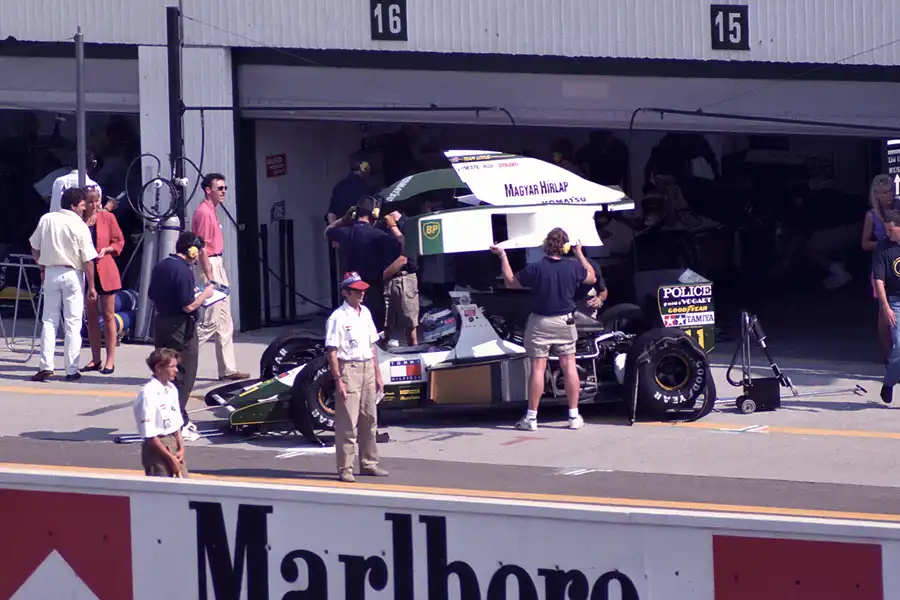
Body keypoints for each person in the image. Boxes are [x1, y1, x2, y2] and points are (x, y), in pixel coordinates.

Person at [490, 228, 596, 431]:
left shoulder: (535, 268)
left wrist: (503, 255)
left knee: (538, 368)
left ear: (545, 246)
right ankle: (574, 416)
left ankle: (531, 418)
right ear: (566, 247)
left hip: (540, 322)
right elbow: (591, 277)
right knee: (569, 366)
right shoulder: (573, 267)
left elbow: (510, 282)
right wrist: (580, 253)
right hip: (565, 321)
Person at [148, 231, 215, 442]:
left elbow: (151, 294)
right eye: (198, 252)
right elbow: (188, 305)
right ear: (192, 251)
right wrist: (205, 294)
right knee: (183, 375)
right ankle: (178, 423)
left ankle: (174, 418)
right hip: (181, 328)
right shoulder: (183, 270)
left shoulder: (161, 266)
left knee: (163, 371)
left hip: (161, 324)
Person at [29, 187, 98, 382]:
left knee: (49, 321)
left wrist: (41, 267)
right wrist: (92, 285)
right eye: (82, 205)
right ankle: (71, 369)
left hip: (51, 271)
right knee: (73, 323)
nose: (84, 208)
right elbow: (88, 259)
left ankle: (46, 365)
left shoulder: (47, 219)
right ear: (74, 206)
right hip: (72, 273)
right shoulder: (80, 225)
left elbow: (34, 246)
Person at [325, 272, 388, 483]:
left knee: (369, 419)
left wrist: (377, 374)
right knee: (348, 422)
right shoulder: (337, 317)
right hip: (349, 368)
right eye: (356, 291)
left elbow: (372, 345)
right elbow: (332, 351)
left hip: (367, 366)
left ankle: (369, 463)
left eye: (363, 290)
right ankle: (345, 467)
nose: (361, 294)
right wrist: (338, 379)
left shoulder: (366, 312)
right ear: (346, 292)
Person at [191, 173, 250, 382]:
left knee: (225, 321)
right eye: (220, 188)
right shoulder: (204, 213)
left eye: (225, 188)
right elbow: (201, 247)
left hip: (217, 262)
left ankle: (228, 369)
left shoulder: (212, 211)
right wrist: (209, 276)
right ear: (208, 190)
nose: (224, 191)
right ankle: (178, 358)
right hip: (210, 265)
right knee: (211, 320)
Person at [325, 196, 406, 331]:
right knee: (374, 332)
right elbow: (402, 248)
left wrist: (344, 219)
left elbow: (328, 231)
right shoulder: (379, 235)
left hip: (351, 290)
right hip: (373, 290)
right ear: (375, 213)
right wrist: (393, 226)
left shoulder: (346, 232)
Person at [81, 187, 125, 374]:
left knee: (108, 316)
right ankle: (96, 358)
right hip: (86, 272)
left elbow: (119, 241)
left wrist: (107, 249)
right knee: (91, 318)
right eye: (90, 202)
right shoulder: (79, 221)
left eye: (97, 201)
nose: (95, 205)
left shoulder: (108, 217)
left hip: (105, 270)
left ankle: (110, 360)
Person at [133, 348, 188, 478]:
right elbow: (150, 435)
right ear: (158, 368)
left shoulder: (171, 389)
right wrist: (170, 459)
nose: (176, 370)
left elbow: (177, 423)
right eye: (172, 366)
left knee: (184, 485)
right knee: (163, 486)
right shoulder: (148, 394)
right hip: (158, 448)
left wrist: (181, 448)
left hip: (174, 443)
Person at [862, 174, 895, 360]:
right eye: (884, 193)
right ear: (876, 195)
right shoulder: (872, 215)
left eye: (890, 191)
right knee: (884, 314)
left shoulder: (897, 211)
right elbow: (865, 243)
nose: (888, 196)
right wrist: (884, 242)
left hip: (897, 262)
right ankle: (889, 356)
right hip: (882, 264)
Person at [873, 211, 900, 404]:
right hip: (895, 300)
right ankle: (890, 383)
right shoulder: (884, 247)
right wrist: (885, 307)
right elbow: (879, 280)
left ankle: (890, 379)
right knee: (899, 345)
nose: (888, 233)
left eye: (891, 230)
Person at [326, 156, 377, 225]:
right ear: (365, 168)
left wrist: (335, 228)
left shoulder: (340, 186)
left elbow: (331, 214)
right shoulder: (366, 188)